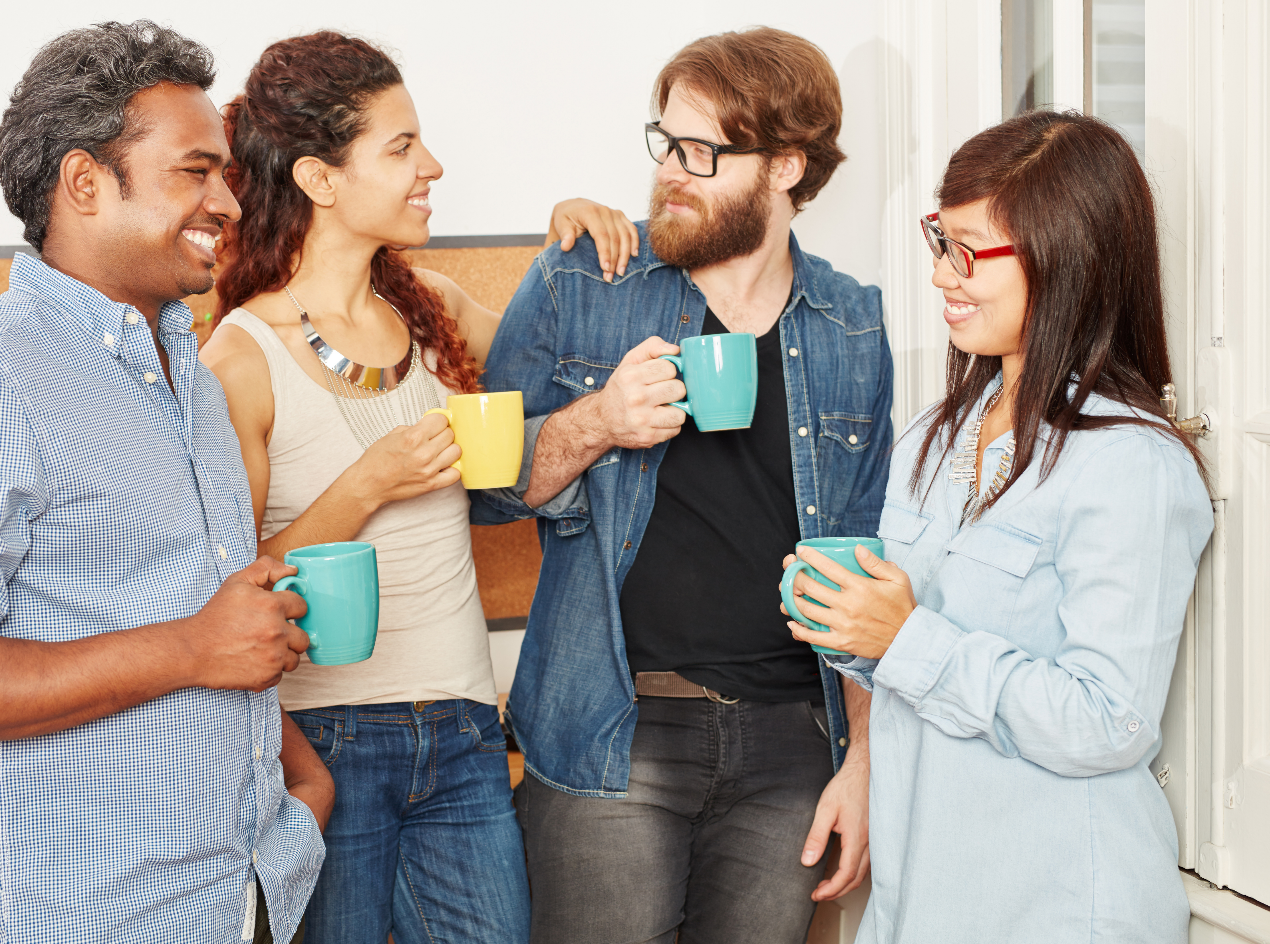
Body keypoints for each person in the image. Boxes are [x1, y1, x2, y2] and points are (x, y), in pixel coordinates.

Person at [0, 22, 329, 944]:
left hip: (251, 898)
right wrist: (192, 648)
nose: (229, 202)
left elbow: (217, 626)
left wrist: (303, 791)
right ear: (84, 183)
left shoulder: (190, 379)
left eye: (226, 174)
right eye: (196, 171)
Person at [198, 31, 637, 944]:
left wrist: (566, 250)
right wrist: (368, 484)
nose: (431, 165)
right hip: (324, 738)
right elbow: (229, 592)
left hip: (467, 729)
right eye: (401, 148)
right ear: (319, 179)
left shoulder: (430, 310)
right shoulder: (241, 357)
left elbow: (569, 364)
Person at [472, 28, 891, 944]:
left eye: (702, 152)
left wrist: (862, 762)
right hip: (613, 729)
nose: (670, 170)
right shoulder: (584, 280)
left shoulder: (854, 324)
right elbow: (486, 490)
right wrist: (598, 421)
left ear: (785, 167)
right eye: (665, 142)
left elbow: (865, 564)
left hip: (793, 742)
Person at [782, 111, 1214, 943]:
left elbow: (1110, 721)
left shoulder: (1132, 463)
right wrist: (848, 623)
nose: (941, 273)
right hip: (920, 904)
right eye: (939, 240)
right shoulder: (930, 436)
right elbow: (906, 655)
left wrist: (905, 638)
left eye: (968, 250)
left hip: (1058, 910)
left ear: (1064, 257)